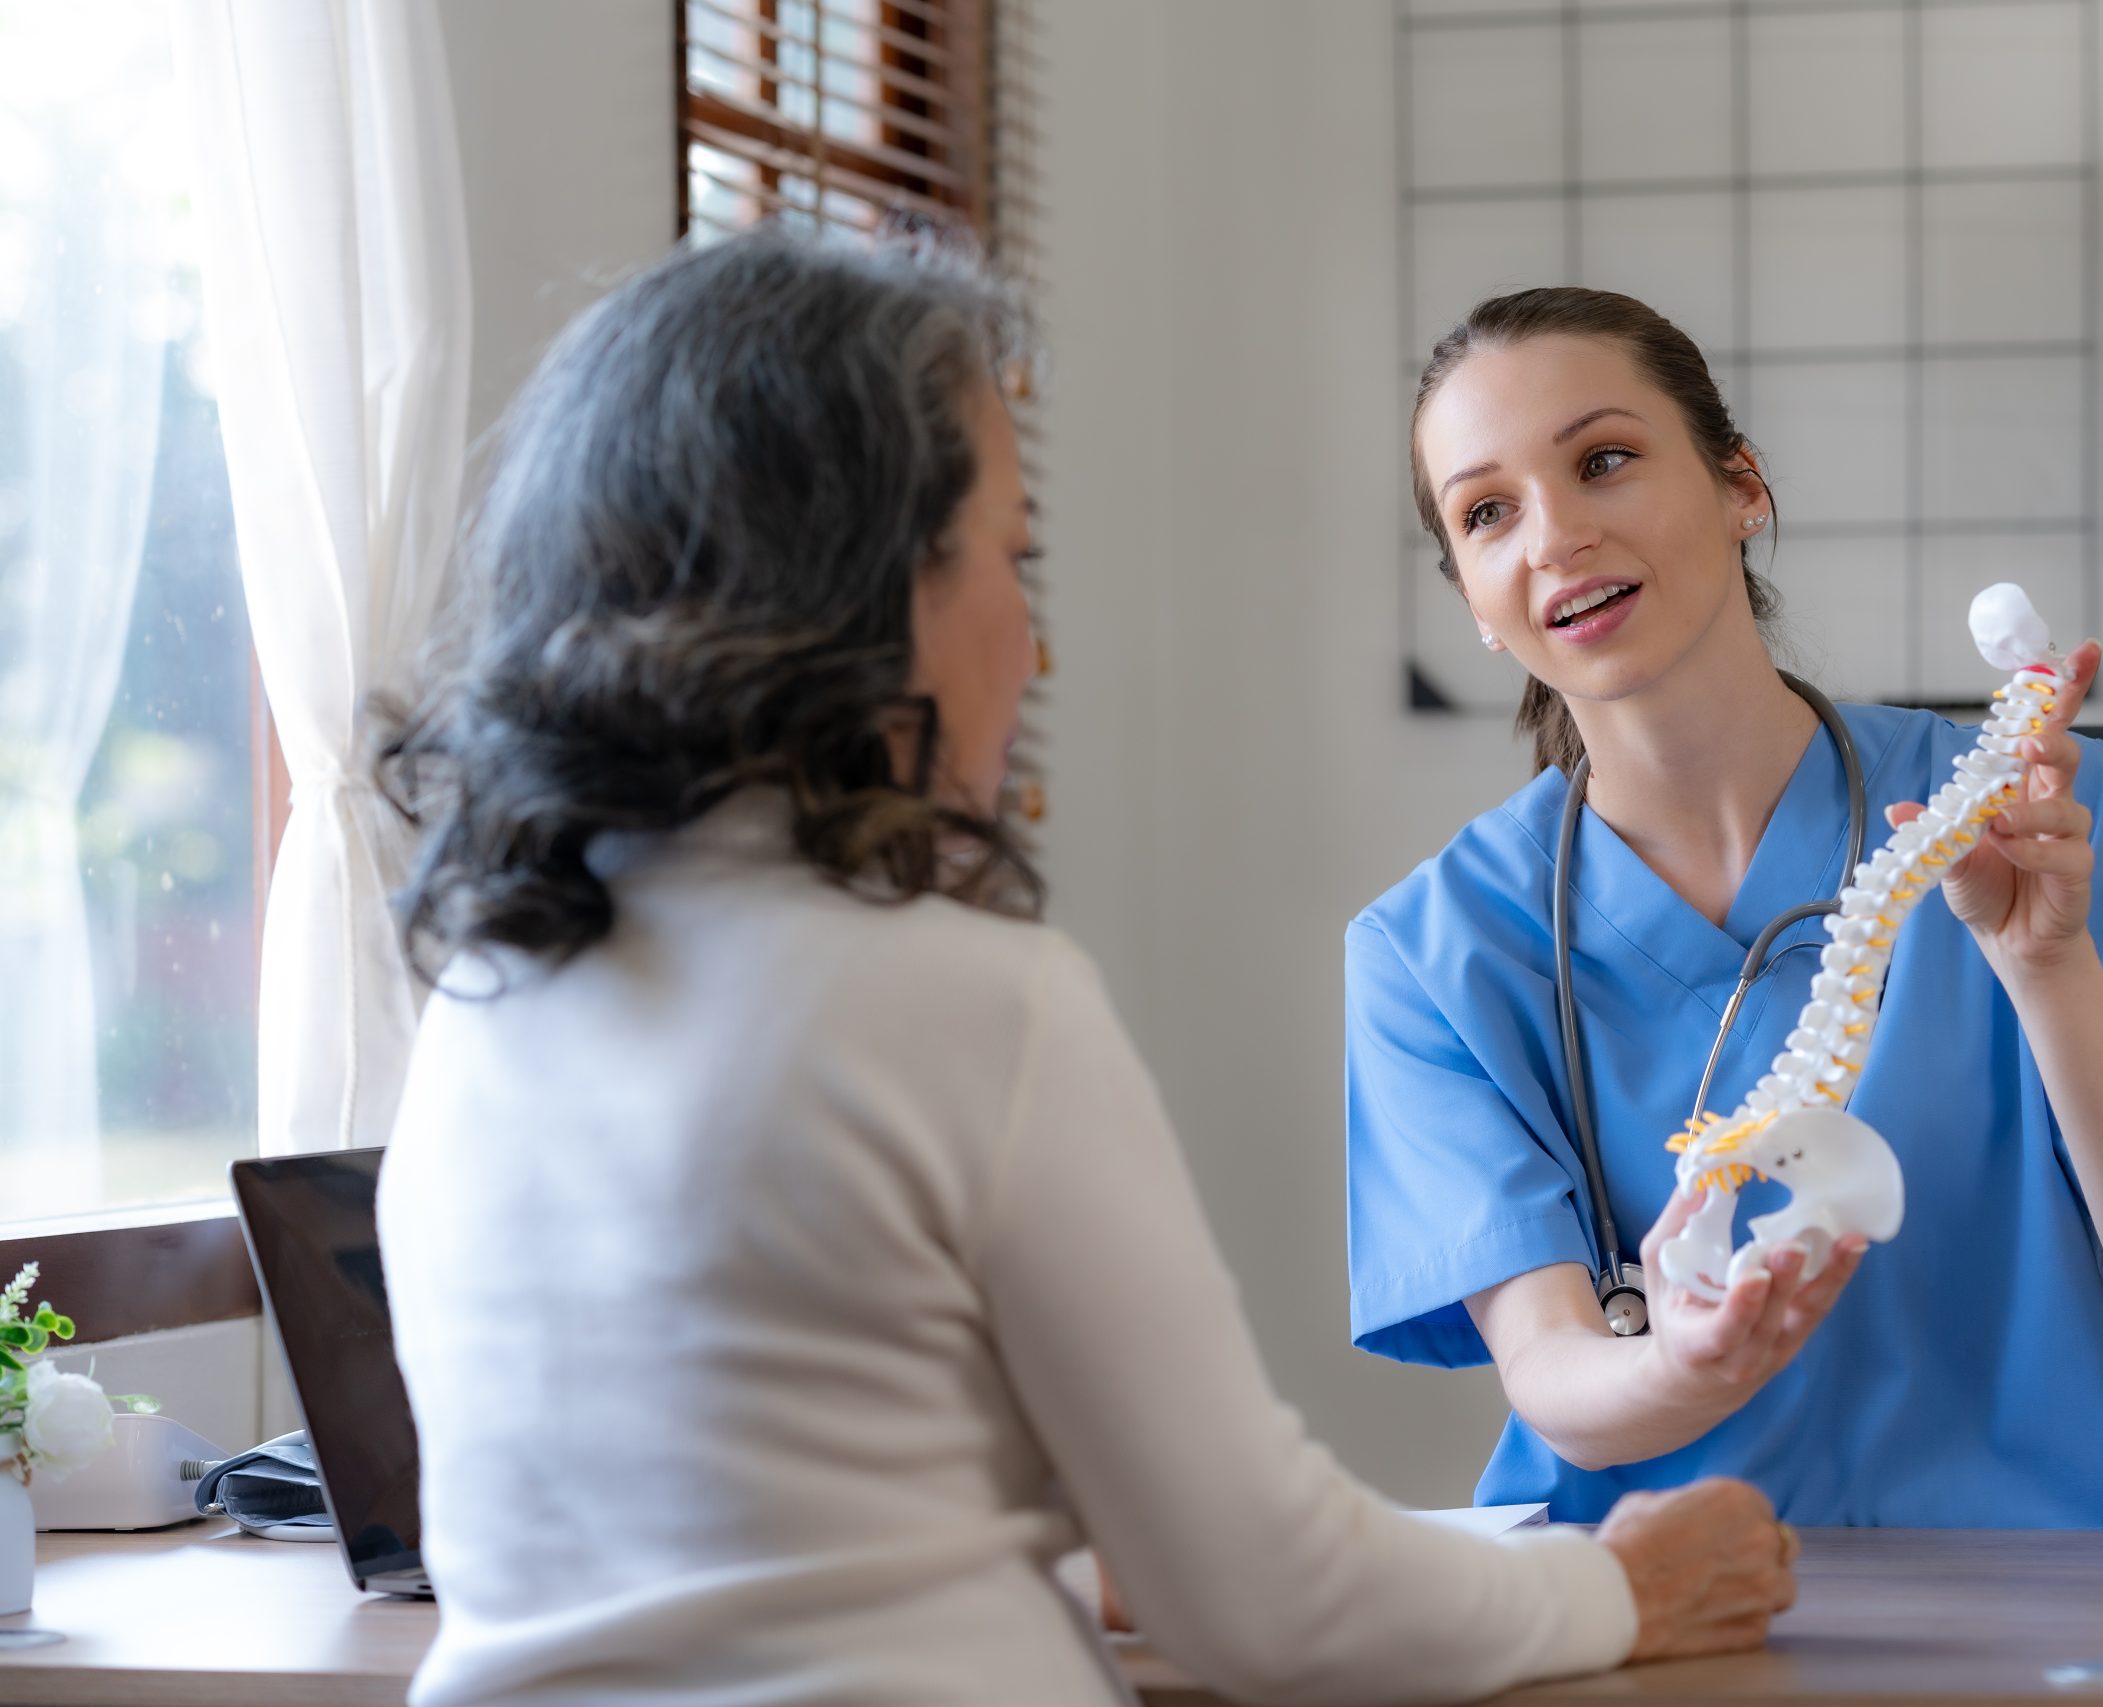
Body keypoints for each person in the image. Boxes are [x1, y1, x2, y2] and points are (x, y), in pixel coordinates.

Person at [370, 235, 1796, 1707]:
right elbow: (1277, 1603)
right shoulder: (964, 1001)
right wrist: (1623, 1585)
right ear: (865, 590)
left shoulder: (487, 1011)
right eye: (1010, 556)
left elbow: (750, 1544)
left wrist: (1046, 1554)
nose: (1032, 639)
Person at [1345, 286, 2103, 1529]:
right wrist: (1683, 1366)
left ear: (1741, 487)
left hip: (2037, 1596)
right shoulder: (1432, 954)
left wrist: (2044, 968)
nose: (1554, 535)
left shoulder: (2030, 811)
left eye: (1605, 460)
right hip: (1648, 1601)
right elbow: (1554, 1374)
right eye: (1487, 513)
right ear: (1473, 596)